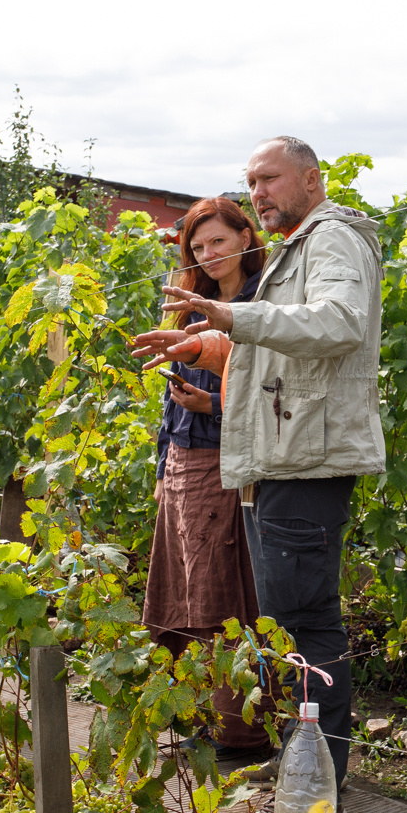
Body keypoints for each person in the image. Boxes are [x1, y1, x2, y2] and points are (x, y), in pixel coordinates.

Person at [131, 136, 384, 813]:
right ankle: (305, 774)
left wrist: (232, 319)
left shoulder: (331, 238)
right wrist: (204, 346)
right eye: (251, 181)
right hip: (285, 458)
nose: (259, 191)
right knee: (290, 625)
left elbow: (338, 324)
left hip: (308, 460)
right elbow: (279, 352)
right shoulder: (302, 247)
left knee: (307, 628)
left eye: (269, 178)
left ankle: (317, 799)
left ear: (311, 178)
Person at [142, 197, 273, 757]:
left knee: (221, 594)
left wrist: (213, 405)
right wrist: (161, 465)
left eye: (218, 241)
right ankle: (201, 719)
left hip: (229, 464)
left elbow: (270, 396)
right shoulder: (189, 308)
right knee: (184, 594)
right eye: (198, 247)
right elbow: (170, 402)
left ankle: (239, 731)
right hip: (182, 462)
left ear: (245, 236)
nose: (208, 253)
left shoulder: (261, 303)